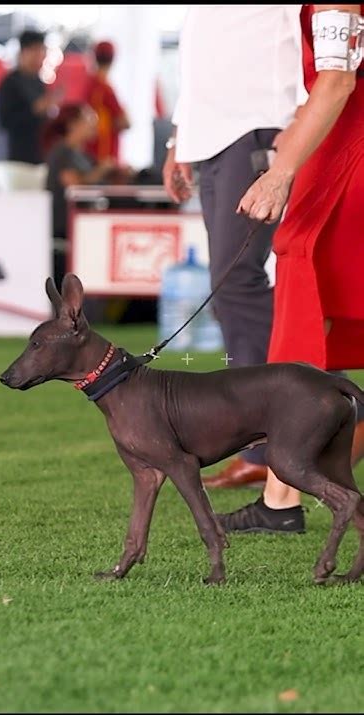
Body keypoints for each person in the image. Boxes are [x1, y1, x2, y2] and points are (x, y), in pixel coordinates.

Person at [218, 2, 364, 534]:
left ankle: (282, 496)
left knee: (308, 295)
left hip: (350, 153)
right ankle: (282, 494)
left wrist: (281, 173)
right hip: (342, 143)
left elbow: (337, 83)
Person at [163, 5, 305, 489]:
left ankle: (273, 439)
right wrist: (180, 139)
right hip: (209, 135)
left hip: (261, 124)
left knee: (236, 280)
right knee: (231, 286)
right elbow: (200, 49)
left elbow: (301, 29)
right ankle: (281, 427)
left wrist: (300, 119)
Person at [43, 103, 118, 285]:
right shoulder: (62, 153)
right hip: (66, 226)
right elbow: (76, 187)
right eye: (89, 118)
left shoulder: (82, 155)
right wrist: (102, 170)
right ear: (72, 124)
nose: (95, 123)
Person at [0, 30, 61, 164]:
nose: (39, 57)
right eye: (34, 52)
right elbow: (5, 122)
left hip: (41, 154)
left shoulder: (39, 82)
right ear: (23, 52)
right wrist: (35, 109)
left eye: (41, 52)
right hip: (19, 156)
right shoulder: (10, 83)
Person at [85, 40, 130, 164]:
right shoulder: (105, 89)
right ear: (113, 59)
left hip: (90, 150)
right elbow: (125, 122)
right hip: (105, 153)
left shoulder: (90, 85)